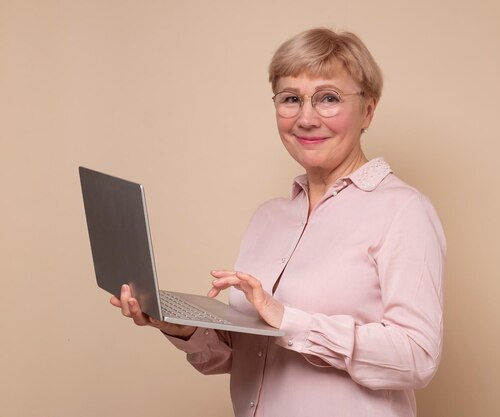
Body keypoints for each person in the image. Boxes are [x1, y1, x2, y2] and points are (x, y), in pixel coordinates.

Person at [112, 27, 446, 417]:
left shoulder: (403, 211)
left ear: (368, 109)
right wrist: (177, 324)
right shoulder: (268, 217)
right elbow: (243, 356)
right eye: (291, 99)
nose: (305, 119)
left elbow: (418, 357)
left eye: (329, 99)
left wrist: (289, 321)